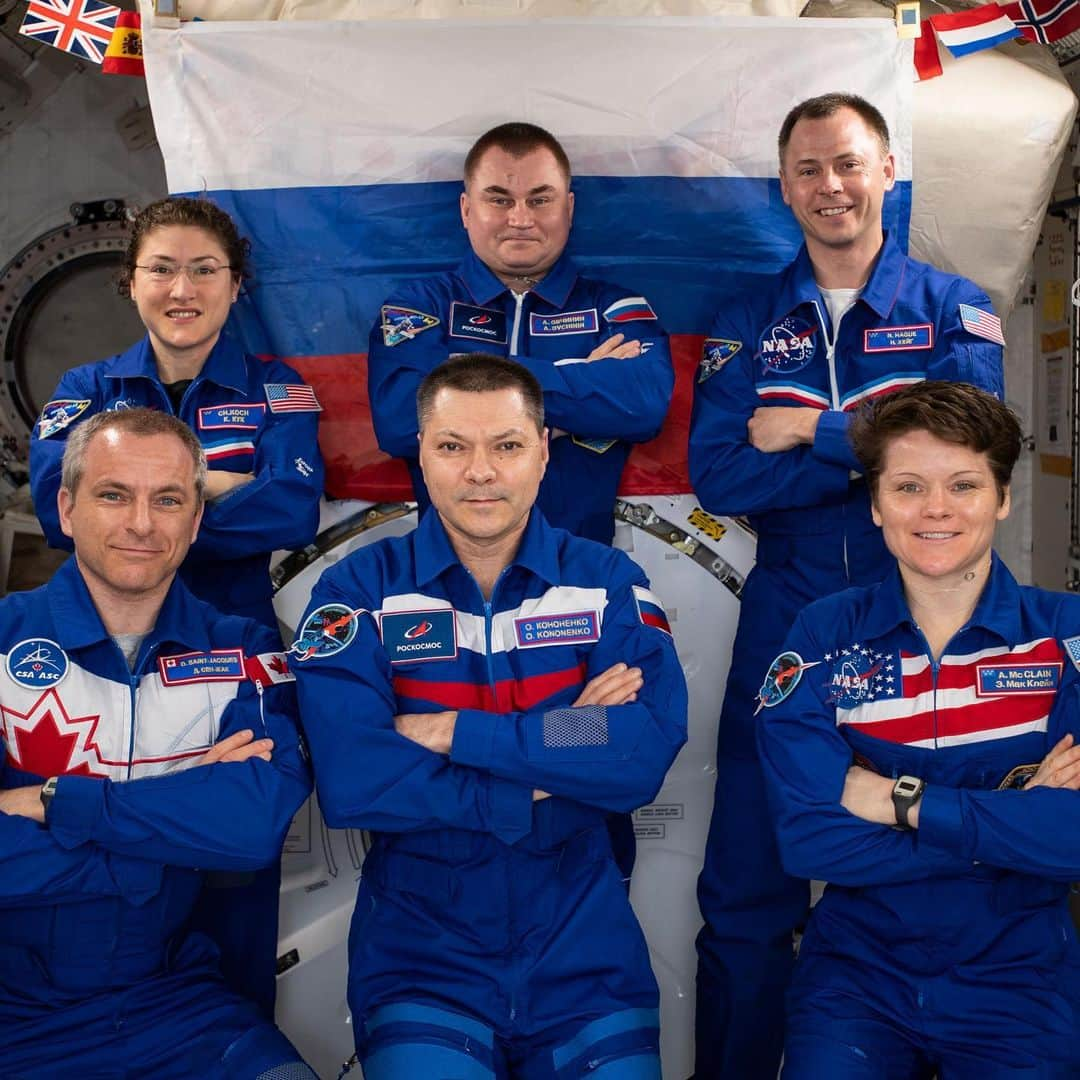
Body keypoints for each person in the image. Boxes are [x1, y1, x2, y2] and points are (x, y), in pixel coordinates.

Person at [688, 93, 1006, 1079]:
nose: (832, 186)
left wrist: (809, 430)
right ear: (785, 187)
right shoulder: (746, 322)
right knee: (747, 890)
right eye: (811, 170)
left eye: (850, 165)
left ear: (887, 175)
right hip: (786, 614)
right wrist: (886, 448)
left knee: (938, 865)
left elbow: (968, 450)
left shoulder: (957, 308)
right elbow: (724, 476)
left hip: (930, 615)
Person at [292, 354, 687, 1079]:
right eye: (453, 446)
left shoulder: (605, 581)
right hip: (422, 956)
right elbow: (355, 777)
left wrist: (456, 733)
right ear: (421, 454)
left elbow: (639, 749)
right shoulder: (357, 588)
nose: (481, 471)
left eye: (505, 446)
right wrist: (555, 746)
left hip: (587, 952)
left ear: (542, 453)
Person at [757, 380, 1080, 1078]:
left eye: (963, 485)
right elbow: (809, 839)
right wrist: (1012, 819)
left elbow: (1074, 840)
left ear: (1002, 498)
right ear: (875, 506)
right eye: (908, 487)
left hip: (1021, 980)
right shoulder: (822, 634)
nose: (936, 509)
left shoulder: (1067, 639)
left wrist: (897, 802)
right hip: (855, 979)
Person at [0, 408, 315, 1078]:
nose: (142, 524)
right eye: (114, 495)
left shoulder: (244, 650)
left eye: (168, 499)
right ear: (66, 505)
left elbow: (251, 828)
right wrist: (162, 845)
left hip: (177, 1007)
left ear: (195, 520)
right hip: (13, 1017)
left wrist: (56, 805)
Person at [367, 121, 673, 548]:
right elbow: (400, 421)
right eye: (499, 199)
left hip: (577, 576)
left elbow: (644, 406)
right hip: (451, 574)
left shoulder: (614, 309)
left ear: (568, 208)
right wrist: (577, 380)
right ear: (466, 209)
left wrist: (460, 382)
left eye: (539, 199)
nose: (520, 219)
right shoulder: (420, 308)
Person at [29, 195, 324, 631]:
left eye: (204, 270)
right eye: (161, 269)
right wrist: (212, 485)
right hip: (99, 630)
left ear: (235, 284)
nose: (182, 290)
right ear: (132, 282)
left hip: (229, 635)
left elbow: (291, 514)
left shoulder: (277, 389)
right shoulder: (87, 389)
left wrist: (119, 512)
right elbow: (57, 510)